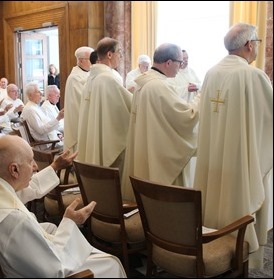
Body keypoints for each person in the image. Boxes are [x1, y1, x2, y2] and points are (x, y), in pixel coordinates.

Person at [0, 135, 126, 277]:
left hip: (3, 264)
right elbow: (55, 270)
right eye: (31, 161)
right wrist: (69, 222)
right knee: (110, 263)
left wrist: (54, 166)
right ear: (14, 170)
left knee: (50, 229)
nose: (35, 167)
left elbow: (26, 189)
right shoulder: (14, 218)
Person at [193, 23, 273, 268]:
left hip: (213, 158)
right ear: (250, 45)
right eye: (257, 42)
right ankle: (237, 259)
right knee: (239, 201)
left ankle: (211, 243)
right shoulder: (252, 75)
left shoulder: (211, 72)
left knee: (213, 200)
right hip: (240, 163)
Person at [121, 43, 201, 202]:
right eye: (179, 62)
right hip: (159, 153)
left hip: (146, 146)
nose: (180, 67)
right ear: (169, 63)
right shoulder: (159, 86)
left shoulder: (143, 83)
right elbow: (186, 117)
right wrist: (201, 97)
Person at [77, 37, 132, 174]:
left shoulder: (91, 78)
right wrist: (141, 97)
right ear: (109, 54)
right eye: (119, 52)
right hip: (107, 141)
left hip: (94, 138)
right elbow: (128, 110)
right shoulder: (108, 79)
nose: (120, 56)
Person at [63, 46, 93, 152]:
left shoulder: (89, 74)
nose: (94, 62)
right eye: (91, 59)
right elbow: (85, 100)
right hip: (78, 124)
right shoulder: (75, 78)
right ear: (80, 61)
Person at [21, 82, 64, 149]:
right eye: (38, 92)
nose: (41, 93)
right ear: (30, 95)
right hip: (47, 144)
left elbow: (47, 124)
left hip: (52, 139)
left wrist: (57, 133)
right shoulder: (30, 110)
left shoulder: (35, 107)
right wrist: (58, 118)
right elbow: (41, 130)